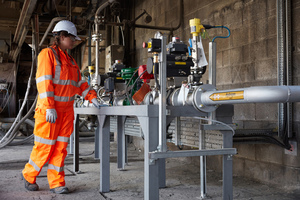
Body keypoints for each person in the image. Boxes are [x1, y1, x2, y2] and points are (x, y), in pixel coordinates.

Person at [21, 20, 102, 194]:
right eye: (72, 38)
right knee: (44, 147)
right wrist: (50, 106)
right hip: (49, 111)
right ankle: (29, 175)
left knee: (60, 149)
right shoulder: (47, 54)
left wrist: (92, 96)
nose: (74, 41)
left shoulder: (71, 61)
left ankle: (57, 182)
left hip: (66, 113)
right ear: (62, 36)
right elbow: (44, 82)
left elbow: (80, 83)